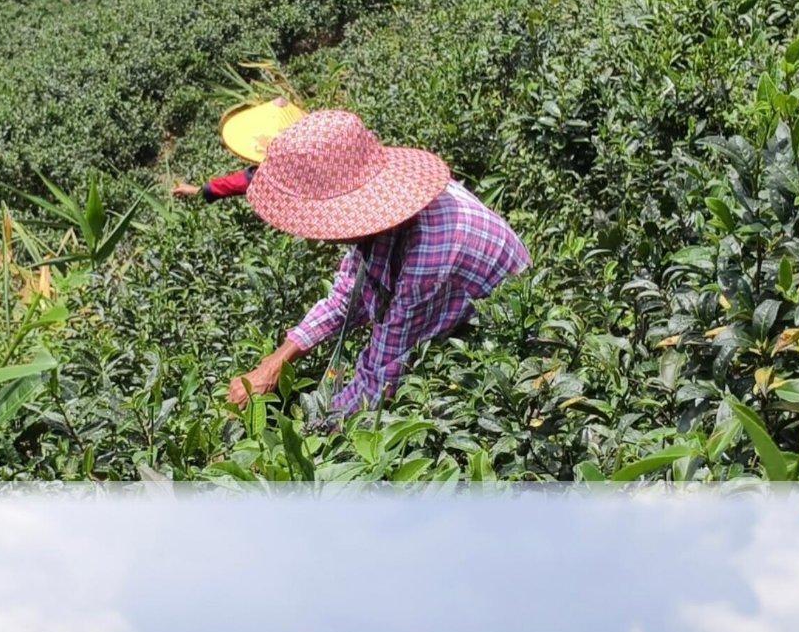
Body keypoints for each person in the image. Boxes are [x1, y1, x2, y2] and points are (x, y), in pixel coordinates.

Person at [226, 109, 533, 420]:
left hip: (503, 333)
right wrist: (273, 364)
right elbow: (346, 297)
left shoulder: (426, 257)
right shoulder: (385, 213)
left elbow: (379, 381)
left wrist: (301, 439)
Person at [171, 95, 305, 204]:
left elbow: (234, 184)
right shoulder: (318, 160)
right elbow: (231, 184)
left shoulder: (266, 176)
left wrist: (198, 191)